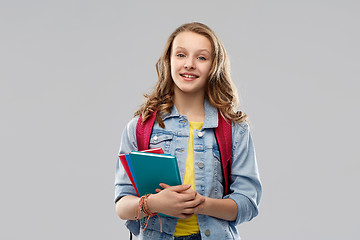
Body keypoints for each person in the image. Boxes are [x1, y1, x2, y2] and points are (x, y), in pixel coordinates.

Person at [114, 22, 262, 240]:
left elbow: (248, 203)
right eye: (181, 55)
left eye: (201, 57)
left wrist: (203, 204)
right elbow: (122, 205)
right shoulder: (140, 127)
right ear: (169, 61)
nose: (190, 64)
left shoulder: (234, 129)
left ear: (214, 66)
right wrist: (153, 203)